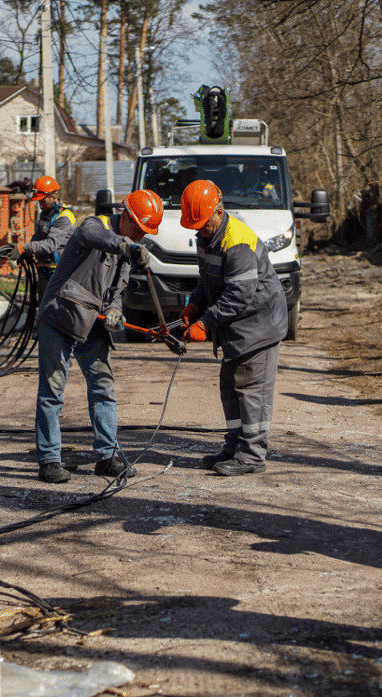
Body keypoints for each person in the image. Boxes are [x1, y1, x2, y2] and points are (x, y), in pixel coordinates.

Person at [34, 189, 163, 483]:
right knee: (52, 393)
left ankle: (107, 456)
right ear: (127, 217)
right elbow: (97, 238)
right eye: (140, 230)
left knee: (104, 388)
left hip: (93, 325)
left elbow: (117, 293)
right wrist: (125, 245)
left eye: (146, 233)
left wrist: (116, 312)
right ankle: (49, 460)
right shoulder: (95, 225)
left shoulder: (128, 253)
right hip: (60, 318)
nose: (142, 237)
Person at [177, 179, 287, 476]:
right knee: (230, 385)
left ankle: (251, 456)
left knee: (251, 389)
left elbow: (240, 295)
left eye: (202, 223)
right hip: (239, 325)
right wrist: (194, 305)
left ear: (218, 211)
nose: (199, 229)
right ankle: (234, 447)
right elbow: (207, 279)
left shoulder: (236, 241)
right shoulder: (206, 236)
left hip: (259, 323)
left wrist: (204, 323)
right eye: (195, 225)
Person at [19, 175, 77, 300]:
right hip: (44, 272)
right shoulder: (44, 214)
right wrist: (29, 250)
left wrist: (24, 247)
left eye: (43, 200)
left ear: (53, 196)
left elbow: (50, 245)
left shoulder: (64, 217)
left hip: (58, 274)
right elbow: (38, 236)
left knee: (52, 312)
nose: (40, 203)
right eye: (38, 200)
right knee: (42, 310)